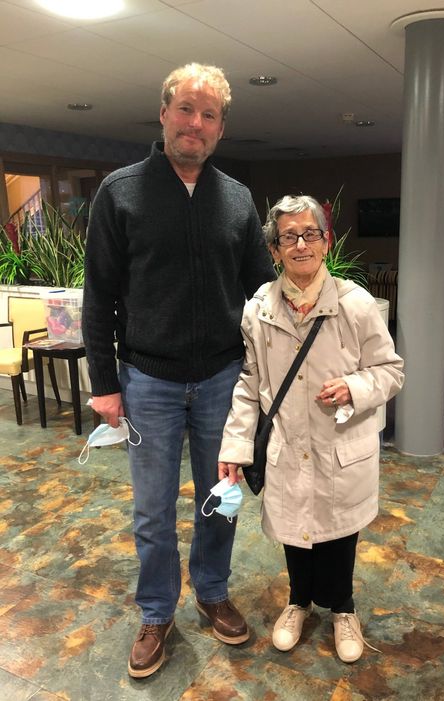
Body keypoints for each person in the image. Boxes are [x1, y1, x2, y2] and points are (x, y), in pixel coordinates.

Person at [82, 62, 276, 678]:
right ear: (164, 113)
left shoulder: (237, 199)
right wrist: (105, 385)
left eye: (208, 114)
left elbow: (262, 292)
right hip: (148, 382)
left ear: (221, 128)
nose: (196, 123)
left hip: (222, 379)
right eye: (186, 109)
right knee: (153, 510)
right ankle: (157, 611)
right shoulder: (120, 191)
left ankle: (212, 591)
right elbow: (98, 295)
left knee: (223, 496)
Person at [218, 195, 404, 663]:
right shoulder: (259, 309)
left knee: (339, 531)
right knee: (295, 528)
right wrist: (235, 447)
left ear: (326, 242)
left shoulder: (355, 305)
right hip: (286, 443)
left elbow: (391, 370)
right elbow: (249, 383)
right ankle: (298, 602)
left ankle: (343, 609)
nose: (300, 244)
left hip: (340, 444)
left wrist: (354, 387)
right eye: (288, 237)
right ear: (275, 250)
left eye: (310, 234)